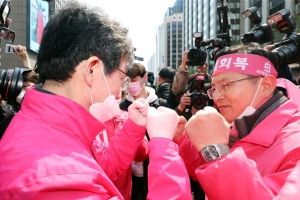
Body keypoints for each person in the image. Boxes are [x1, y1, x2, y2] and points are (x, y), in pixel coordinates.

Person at [0, 1, 192, 199]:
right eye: (121, 78)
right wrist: (163, 148)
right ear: (92, 70)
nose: (120, 92)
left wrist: (134, 126)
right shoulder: (56, 182)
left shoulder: (59, 125)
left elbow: (105, 167)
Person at [174, 43, 300, 199]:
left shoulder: (295, 143)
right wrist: (181, 139)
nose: (218, 97)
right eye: (214, 88)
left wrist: (217, 154)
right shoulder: (239, 125)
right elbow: (207, 173)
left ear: (266, 86)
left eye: (226, 85)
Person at [119, 62, 171, 200]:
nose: (130, 84)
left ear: (144, 78)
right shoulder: (122, 107)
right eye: (127, 80)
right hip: (129, 169)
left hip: (153, 166)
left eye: (134, 80)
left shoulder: (161, 104)